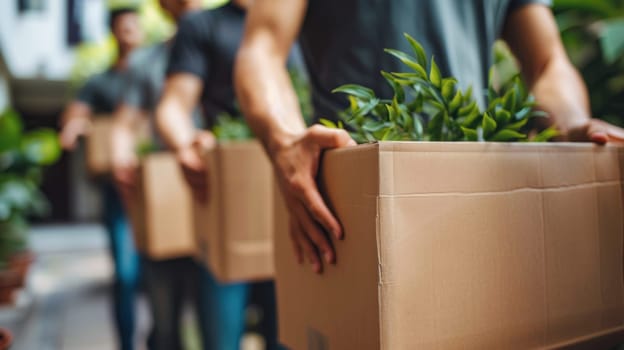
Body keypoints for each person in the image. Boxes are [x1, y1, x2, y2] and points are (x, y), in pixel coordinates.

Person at [234, 0, 624, 274]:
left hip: (474, 196)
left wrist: (573, 122)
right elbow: (263, 47)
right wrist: (285, 141)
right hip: (346, 204)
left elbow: (547, 61)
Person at [155, 0, 301, 348]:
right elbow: (174, 105)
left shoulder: (300, 18)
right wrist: (185, 141)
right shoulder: (202, 26)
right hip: (229, 195)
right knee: (221, 335)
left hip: (289, 200)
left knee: (289, 336)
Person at [109, 1, 208, 350]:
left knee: (215, 321)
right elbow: (125, 123)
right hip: (167, 194)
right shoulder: (146, 61)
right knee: (165, 319)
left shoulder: (231, 37)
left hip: (219, 192)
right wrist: (121, 159)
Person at [58, 7, 144, 350]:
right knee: (125, 275)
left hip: (162, 186)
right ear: (113, 33)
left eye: (136, 26)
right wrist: (77, 126)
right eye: (125, 27)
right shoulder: (100, 82)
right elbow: (74, 117)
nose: (133, 32)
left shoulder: (158, 69)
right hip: (117, 190)